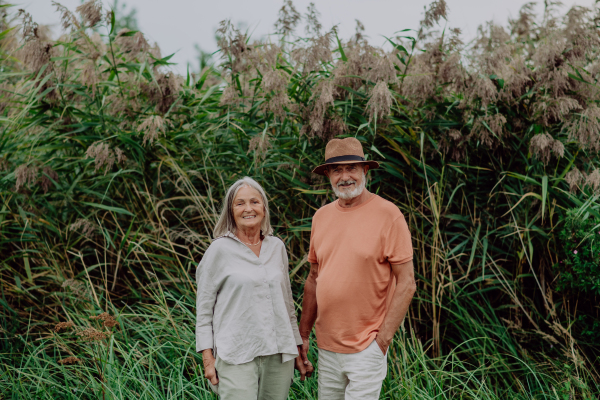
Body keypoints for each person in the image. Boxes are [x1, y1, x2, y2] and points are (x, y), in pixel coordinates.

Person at [298, 137, 416, 399]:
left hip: (367, 348)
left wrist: (382, 342)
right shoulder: (321, 217)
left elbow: (407, 283)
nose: (345, 176)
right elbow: (314, 279)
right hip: (327, 349)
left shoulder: (389, 215)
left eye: (352, 168)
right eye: (337, 170)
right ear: (328, 174)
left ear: (365, 171)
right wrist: (303, 335)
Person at [196, 177, 311, 399]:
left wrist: (296, 346)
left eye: (254, 202)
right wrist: (208, 359)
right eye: (240, 203)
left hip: (278, 355)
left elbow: (287, 305)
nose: (248, 208)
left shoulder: (276, 247)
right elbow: (204, 311)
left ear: (264, 208)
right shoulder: (218, 250)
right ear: (231, 211)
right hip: (236, 354)